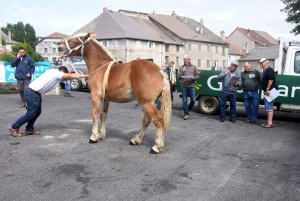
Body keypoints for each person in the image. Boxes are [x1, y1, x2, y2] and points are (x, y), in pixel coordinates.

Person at [8, 67, 89, 137]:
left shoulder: (53, 73)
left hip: (35, 93)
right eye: (64, 74)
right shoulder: (56, 73)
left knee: (37, 112)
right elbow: (68, 76)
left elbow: (68, 77)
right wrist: (84, 75)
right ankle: (14, 127)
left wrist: (75, 75)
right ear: (62, 71)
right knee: (31, 113)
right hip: (32, 92)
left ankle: (29, 129)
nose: (64, 78)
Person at [177, 55, 199, 120]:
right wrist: (182, 71)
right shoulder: (181, 68)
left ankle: (187, 110)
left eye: (186, 59)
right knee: (184, 101)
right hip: (184, 86)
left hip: (192, 86)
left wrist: (194, 78)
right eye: (184, 59)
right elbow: (178, 77)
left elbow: (197, 76)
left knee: (193, 100)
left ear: (189, 60)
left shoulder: (194, 67)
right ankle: (186, 114)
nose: (185, 61)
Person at [259, 58, 277, 128]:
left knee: (269, 107)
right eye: (260, 63)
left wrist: (267, 89)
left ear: (267, 63)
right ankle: (268, 122)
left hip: (270, 91)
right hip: (270, 91)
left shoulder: (269, 69)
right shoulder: (266, 70)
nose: (261, 65)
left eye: (262, 63)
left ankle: (269, 123)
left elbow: (271, 80)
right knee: (268, 107)